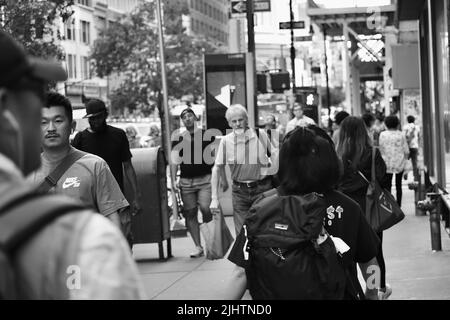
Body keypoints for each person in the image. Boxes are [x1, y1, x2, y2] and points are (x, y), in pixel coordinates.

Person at [0, 30, 145, 299]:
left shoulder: (96, 163)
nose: (45, 125)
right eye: (33, 93)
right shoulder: (83, 239)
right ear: (6, 105)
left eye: (57, 120)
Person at [225, 126, 381, 300]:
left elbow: (240, 273)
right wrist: (372, 294)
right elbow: (370, 265)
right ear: (329, 161)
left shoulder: (262, 206)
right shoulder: (347, 207)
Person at [28, 92, 129, 230]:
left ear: (72, 126)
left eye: (58, 121)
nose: (51, 128)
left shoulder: (95, 166)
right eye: (43, 122)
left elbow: (113, 221)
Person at [72, 98, 142, 247]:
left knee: (123, 239)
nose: (94, 121)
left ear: (105, 115)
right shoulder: (80, 139)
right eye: (91, 119)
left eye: (98, 117)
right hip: (90, 200)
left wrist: (136, 196)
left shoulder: (118, 135)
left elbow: (128, 166)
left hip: (116, 199)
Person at [336, 116, 392, 300]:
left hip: (344, 214)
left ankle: (354, 292)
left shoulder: (338, 157)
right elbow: (383, 179)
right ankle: (376, 290)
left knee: (347, 257)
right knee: (374, 255)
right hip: (370, 211)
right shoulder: (372, 153)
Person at [210, 104, 278, 235]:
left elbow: (274, 155)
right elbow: (217, 168)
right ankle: (247, 255)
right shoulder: (226, 141)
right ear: (229, 123)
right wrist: (214, 198)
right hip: (239, 193)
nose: (237, 124)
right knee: (242, 235)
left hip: (263, 189)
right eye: (233, 121)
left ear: (246, 119)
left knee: (265, 231)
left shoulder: (260, 135)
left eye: (240, 120)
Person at [171, 107, 214, 258]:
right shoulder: (179, 138)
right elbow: (175, 160)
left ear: (195, 117)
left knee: (205, 208)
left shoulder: (207, 135)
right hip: (186, 181)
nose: (187, 119)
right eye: (184, 117)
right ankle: (198, 246)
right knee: (190, 213)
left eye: (190, 116)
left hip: (205, 179)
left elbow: (214, 157)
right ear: (182, 121)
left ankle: (210, 242)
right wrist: (173, 179)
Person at [378, 115, 409, 207]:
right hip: (399, 163)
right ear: (397, 124)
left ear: (386, 124)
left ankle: (389, 205)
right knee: (399, 186)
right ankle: (398, 205)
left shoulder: (382, 135)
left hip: (386, 163)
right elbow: (406, 150)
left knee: (388, 186)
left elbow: (381, 148)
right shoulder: (401, 134)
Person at [403, 115, 420, 181]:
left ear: (407, 120)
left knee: (406, 161)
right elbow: (418, 137)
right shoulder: (417, 127)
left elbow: (404, 137)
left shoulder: (405, 127)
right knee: (414, 162)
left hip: (407, 147)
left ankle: (406, 172)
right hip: (415, 146)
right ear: (414, 120)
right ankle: (415, 177)